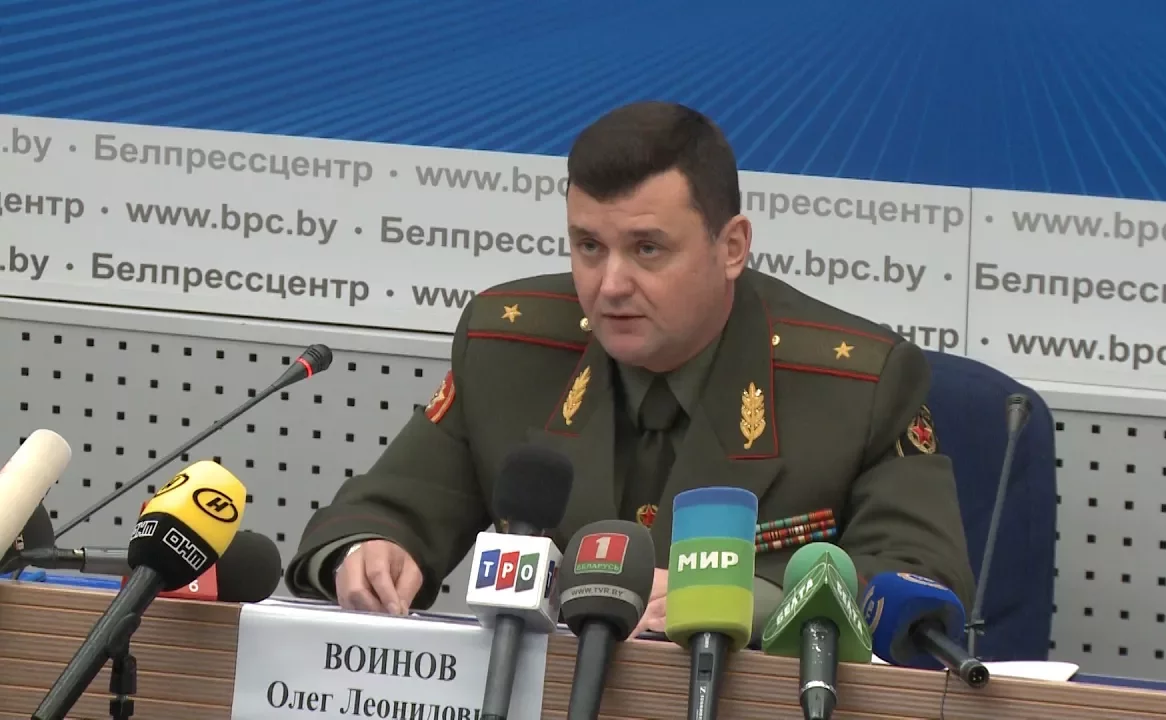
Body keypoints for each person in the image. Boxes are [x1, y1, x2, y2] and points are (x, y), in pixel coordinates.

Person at [285, 100, 974, 639]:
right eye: (589, 246)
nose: (609, 285)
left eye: (647, 249)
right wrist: (370, 550)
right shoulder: (507, 348)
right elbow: (390, 506)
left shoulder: (860, 384)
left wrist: (754, 602)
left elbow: (919, 582)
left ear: (732, 247)